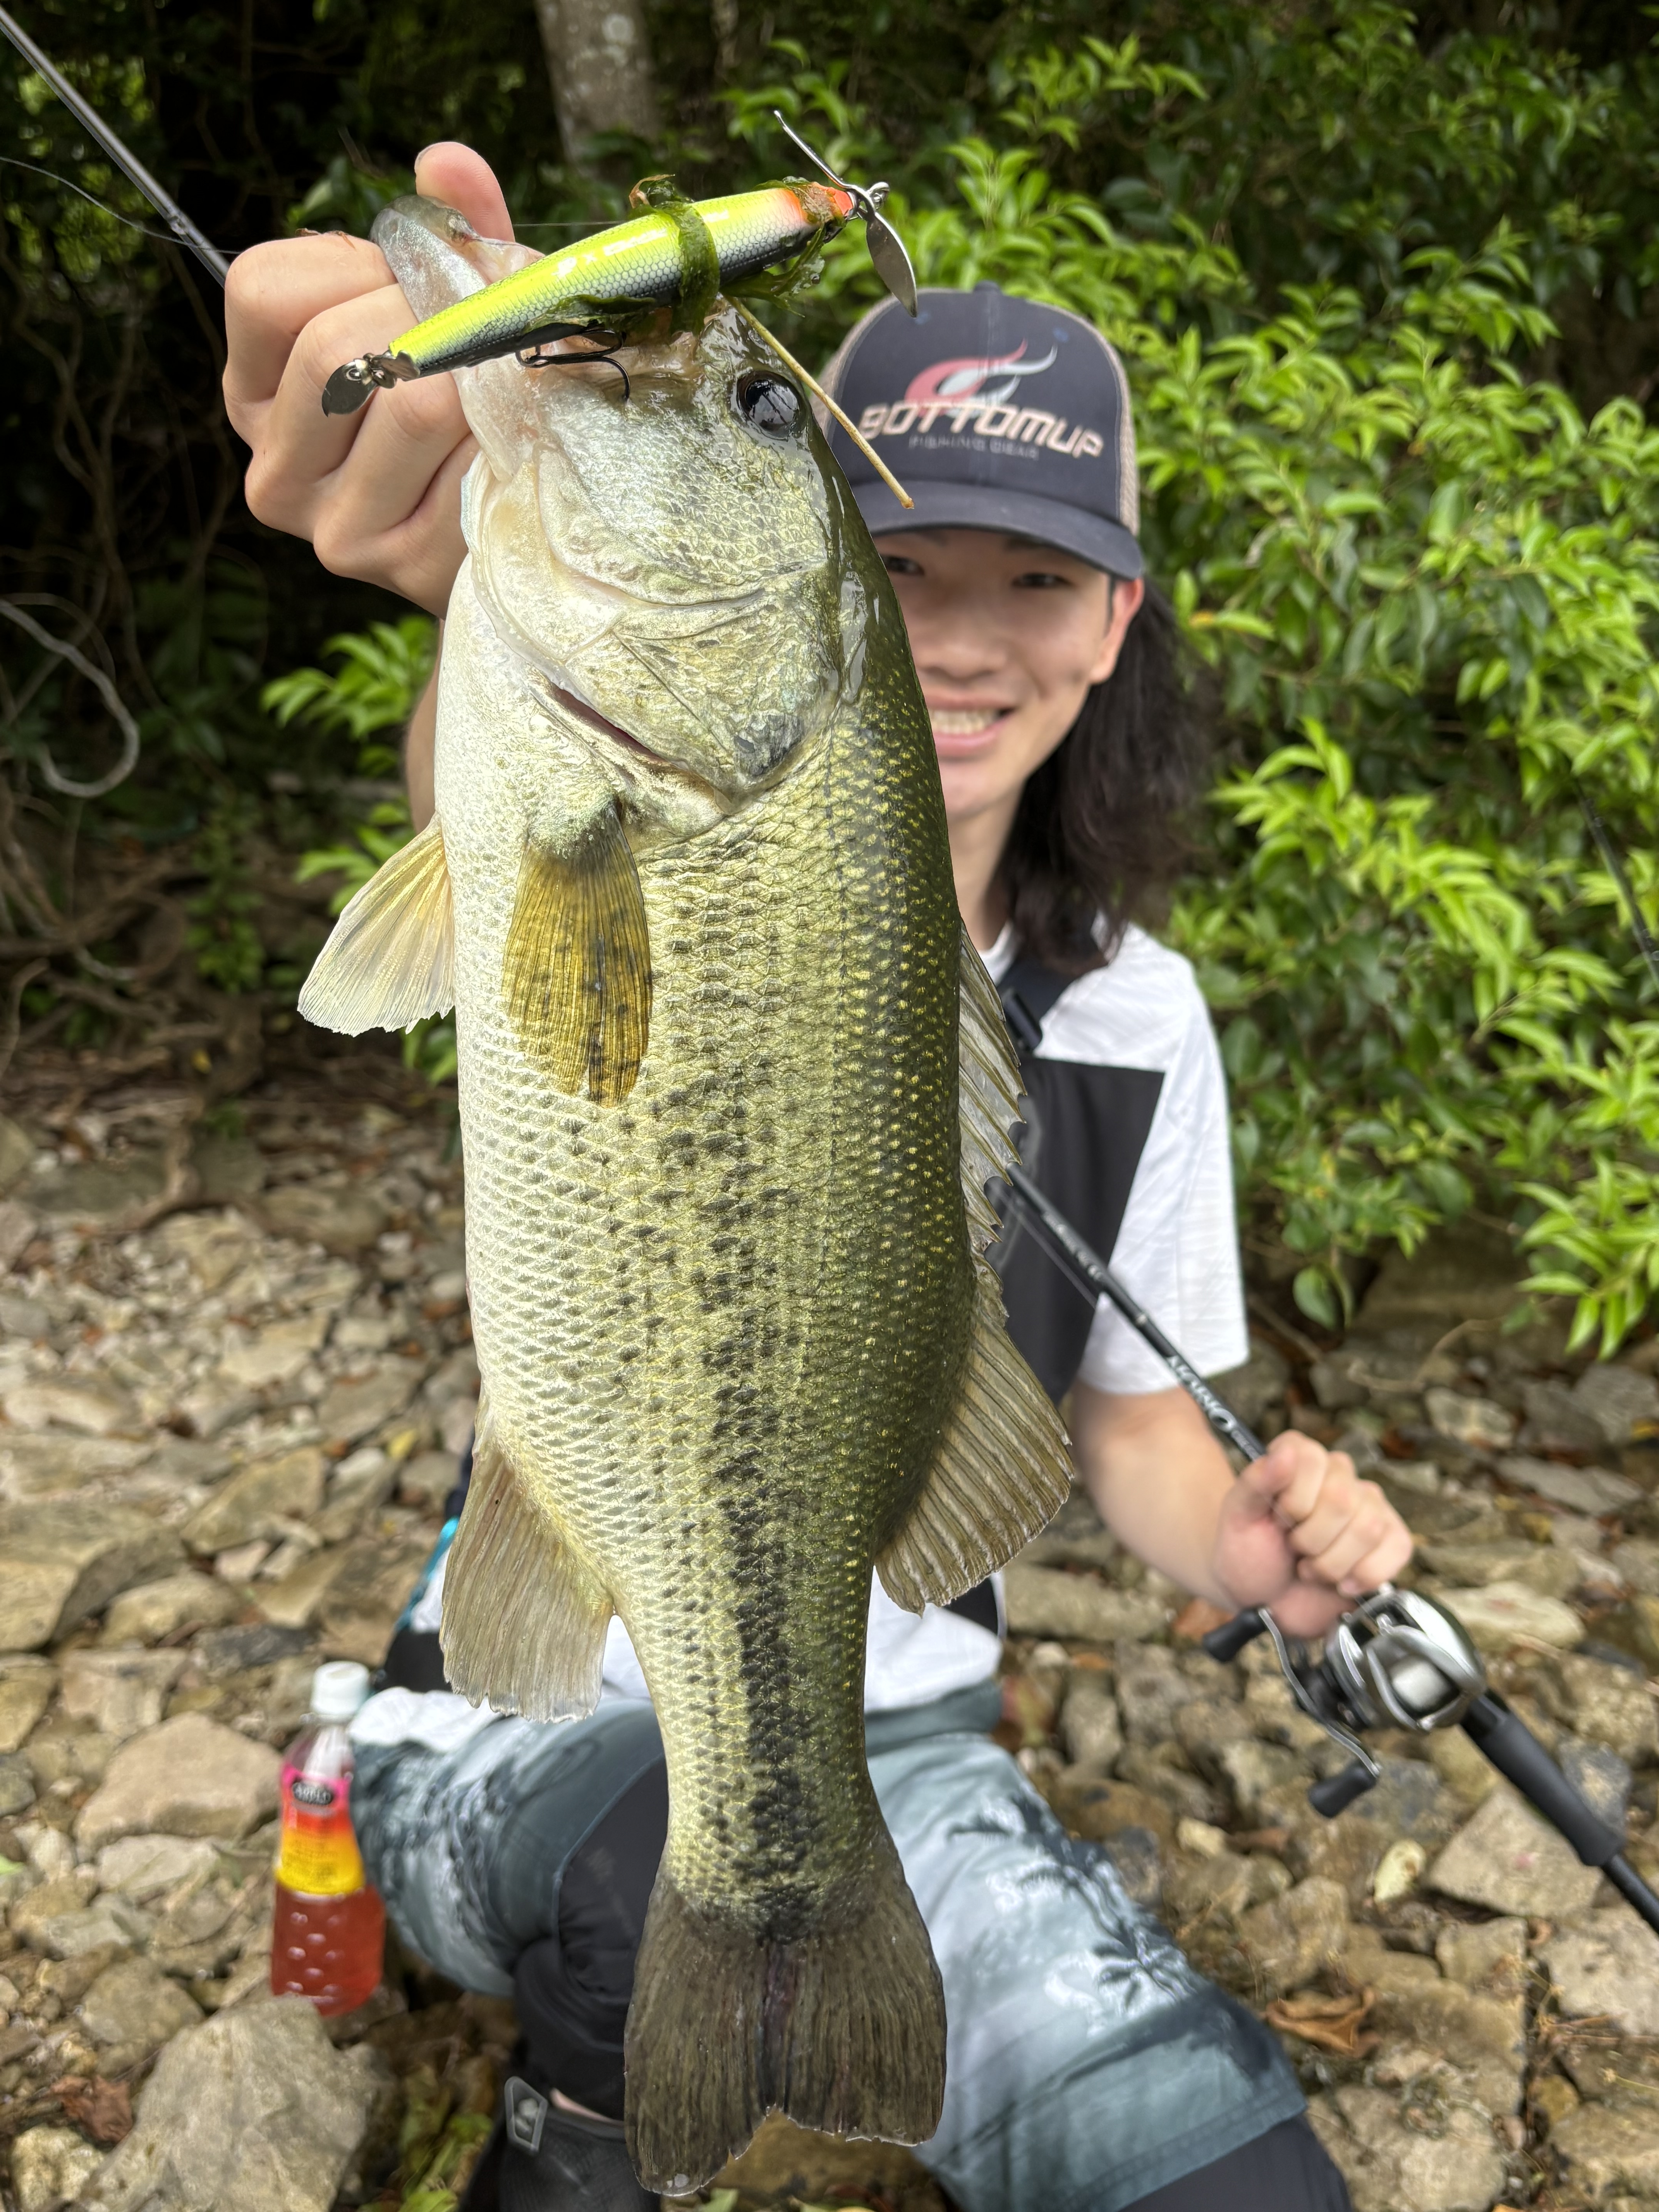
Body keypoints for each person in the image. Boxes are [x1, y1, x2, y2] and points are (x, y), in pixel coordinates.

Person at [224, 142, 1412, 2212]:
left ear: (1117, 618)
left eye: (1033, 580)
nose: (961, 637)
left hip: (904, 1760)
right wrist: (445, 542)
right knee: (624, 1870)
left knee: (1237, 2183)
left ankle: (791, 1939)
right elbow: (489, 792)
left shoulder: (1134, 1019)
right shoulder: (575, 750)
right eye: (906, 560)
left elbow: (1122, 1439)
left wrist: (1252, 1546)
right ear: (843, 564)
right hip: (497, 1738)